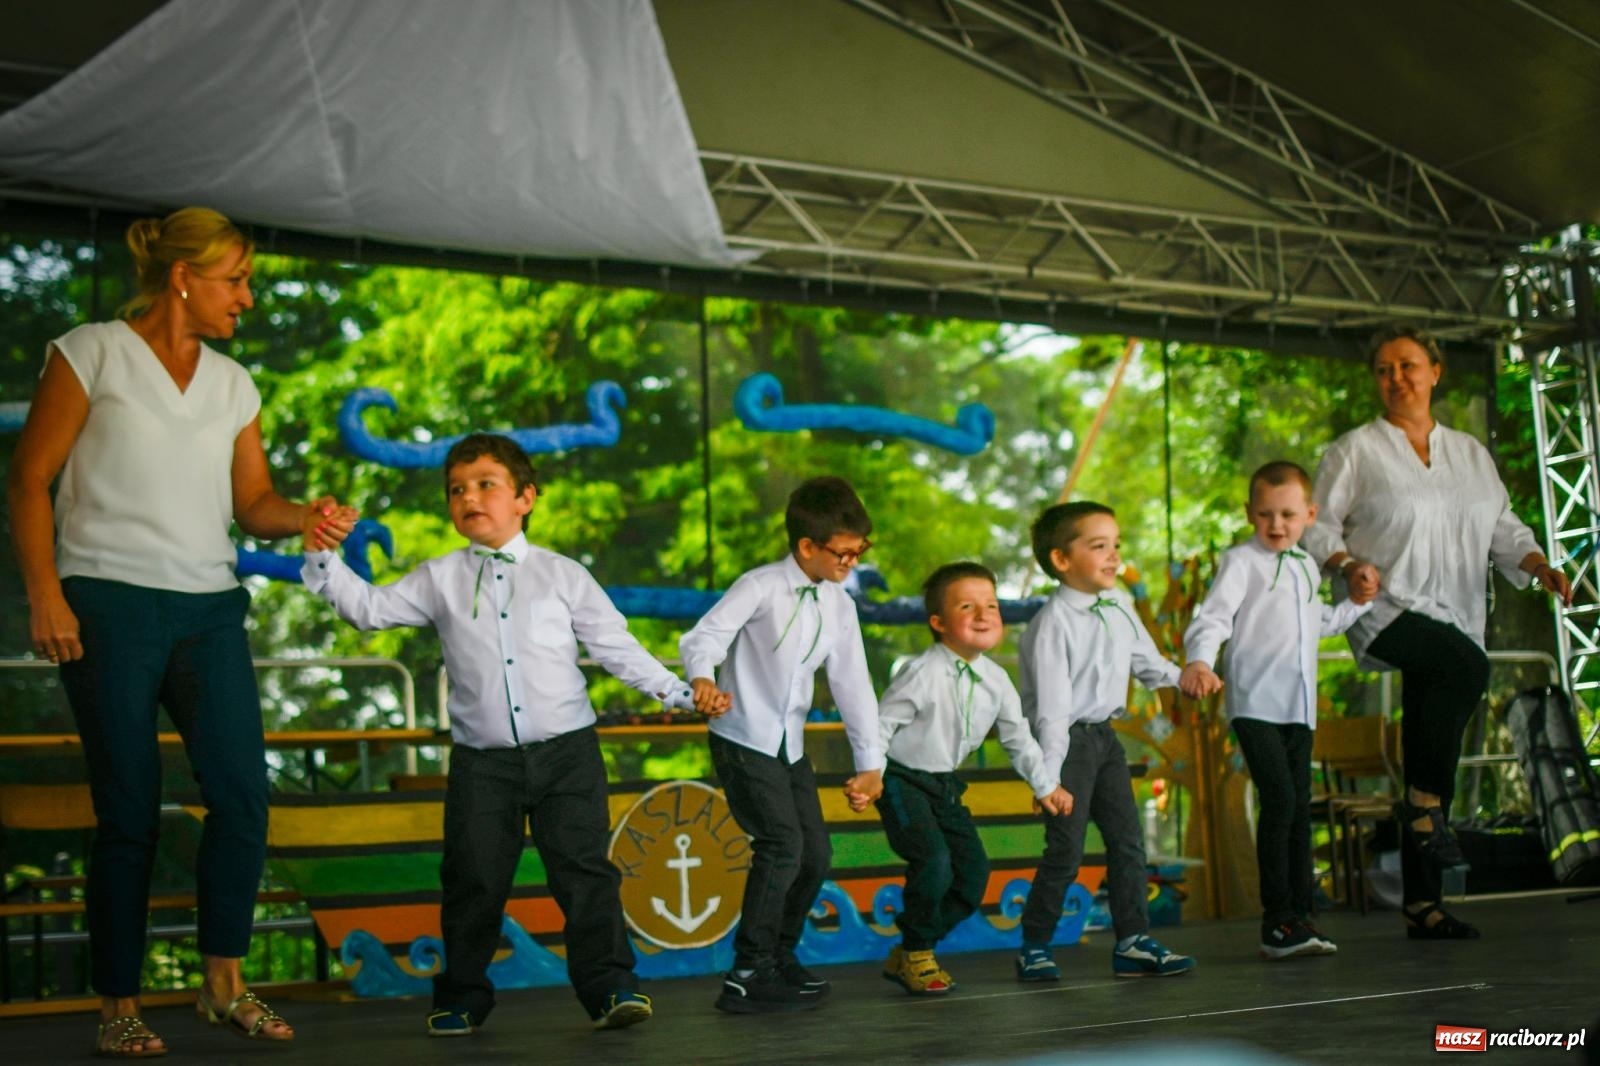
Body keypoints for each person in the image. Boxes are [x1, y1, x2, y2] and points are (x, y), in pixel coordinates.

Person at [6, 207, 341, 1056]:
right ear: (184, 277)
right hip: (106, 606)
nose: (250, 299)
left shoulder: (235, 383)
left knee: (241, 795)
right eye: (237, 281)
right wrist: (45, 594)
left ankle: (222, 983)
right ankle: (119, 1003)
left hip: (207, 610)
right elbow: (29, 479)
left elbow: (251, 505)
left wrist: (304, 515)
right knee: (128, 812)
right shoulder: (90, 351)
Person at [301, 433, 702, 1035]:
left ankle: (611, 989)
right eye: (457, 489)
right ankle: (462, 997)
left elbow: (615, 647)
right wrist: (323, 557)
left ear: (525, 498)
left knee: (585, 871)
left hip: (568, 752)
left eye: (487, 484)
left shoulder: (564, 575)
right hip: (482, 762)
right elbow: (369, 611)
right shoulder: (437, 577)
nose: (469, 497)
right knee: (473, 879)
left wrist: (678, 692)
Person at [1302, 324, 1572, 940]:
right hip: (1382, 605)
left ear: (1435, 371)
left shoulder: (1471, 454)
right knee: (1466, 670)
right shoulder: (1355, 450)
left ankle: (1423, 902)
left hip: (1456, 609)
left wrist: (1538, 566)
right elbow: (1317, 527)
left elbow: (1502, 525)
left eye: (1408, 366)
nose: (1396, 379)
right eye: (1384, 370)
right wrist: (1345, 565)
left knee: (1435, 731)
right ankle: (1422, 809)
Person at [680, 475, 885, 1014]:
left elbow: (853, 684)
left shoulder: (840, 604)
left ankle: (778, 957)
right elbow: (704, 637)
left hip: (789, 746)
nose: (851, 563)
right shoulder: (760, 585)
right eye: (843, 553)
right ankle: (748, 972)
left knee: (815, 854)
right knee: (782, 846)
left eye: (858, 552)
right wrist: (701, 678)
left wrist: (871, 764)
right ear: (807, 547)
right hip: (743, 738)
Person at [1180, 461, 1375, 960]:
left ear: (1309, 514)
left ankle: (1299, 917)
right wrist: (1200, 661)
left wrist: (1356, 602)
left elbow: (1321, 624)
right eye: (1265, 514)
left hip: (1299, 709)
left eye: (1288, 514)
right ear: (1249, 513)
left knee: (1297, 811)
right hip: (1255, 704)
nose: (1276, 524)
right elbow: (1213, 617)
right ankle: (1276, 922)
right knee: (1281, 801)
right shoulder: (1241, 562)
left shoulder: (1307, 567)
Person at [1014, 501, 1196, 981]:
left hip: (1106, 739)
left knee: (1128, 842)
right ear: (1061, 560)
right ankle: (1034, 944)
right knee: (1066, 849)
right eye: (1099, 546)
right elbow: (1051, 713)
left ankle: (1133, 940)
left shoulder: (1119, 604)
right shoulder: (1051, 625)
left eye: (1116, 545)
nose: (1114, 556)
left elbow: (1147, 661)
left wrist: (1186, 677)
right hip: (1067, 743)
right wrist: (1047, 781)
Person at [872, 561, 1072, 995]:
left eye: (992, 605)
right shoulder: (921, 673)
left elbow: (1019, 737)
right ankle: (919, 953)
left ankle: (910, 948)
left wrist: (1045, 786)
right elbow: (880, 725)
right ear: (939, 622)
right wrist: (868, 773)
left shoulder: (996, 679)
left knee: (973, 875)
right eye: (968, 606)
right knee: (934, 861)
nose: (984, 614)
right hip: (900, 779)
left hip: (944, 785)